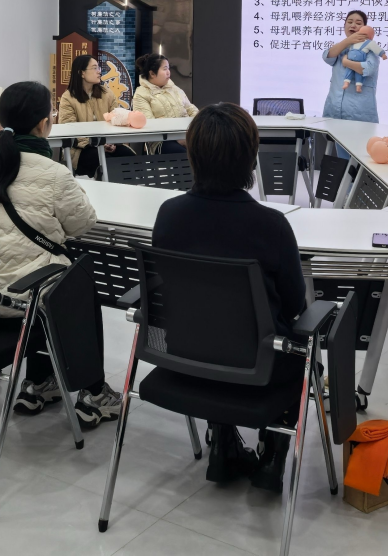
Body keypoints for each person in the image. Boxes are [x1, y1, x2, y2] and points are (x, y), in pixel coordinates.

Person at [151, 103, 307, 493]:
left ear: (192, 156)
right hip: (259, 367)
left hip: (183, 358)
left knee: (210, 321)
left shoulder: (169, 214)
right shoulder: (271, 225)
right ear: (251, 159)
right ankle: (273, 455)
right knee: (301, 343)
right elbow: (294, 306)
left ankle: (223, 442)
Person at [0, 81, 120, 428]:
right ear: (43, 124)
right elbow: (83, 223)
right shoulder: (54, 173)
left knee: (42, 271)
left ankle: (39, 383)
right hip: (26, 301)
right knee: (74, 281)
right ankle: (95, 394)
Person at [56, 54, 135, 178]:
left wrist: (112, 142)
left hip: (108, 144)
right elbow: (69, 130)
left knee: (130, 157)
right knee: (106, 162)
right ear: (81, 73)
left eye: (99, 67)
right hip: (81, 149)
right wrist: (96, 143)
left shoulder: (107, 94)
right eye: (94, 68)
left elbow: (117, 120)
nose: (99, 71)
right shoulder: (68, 98)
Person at [322, 10, 386, 128]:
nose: (353, 25)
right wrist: (348, 41)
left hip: (359, 115)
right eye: (350, 22)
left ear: (365, 28)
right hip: (333, 112)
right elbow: (327, 56)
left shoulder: (370, 50)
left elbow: (368, 69)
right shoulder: (341, 48)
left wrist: (346, 62)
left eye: (358, 23)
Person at [131, 53, 197, 153]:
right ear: (152, 74)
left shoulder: (175, 89)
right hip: (161, 141)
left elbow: (191, 110)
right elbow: (149, 125)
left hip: (186, 135)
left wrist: (196, 131)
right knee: (183, 153)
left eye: (168, 68)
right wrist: (177, 138)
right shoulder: (141, 94)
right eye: (165, 69)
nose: (168, 72)